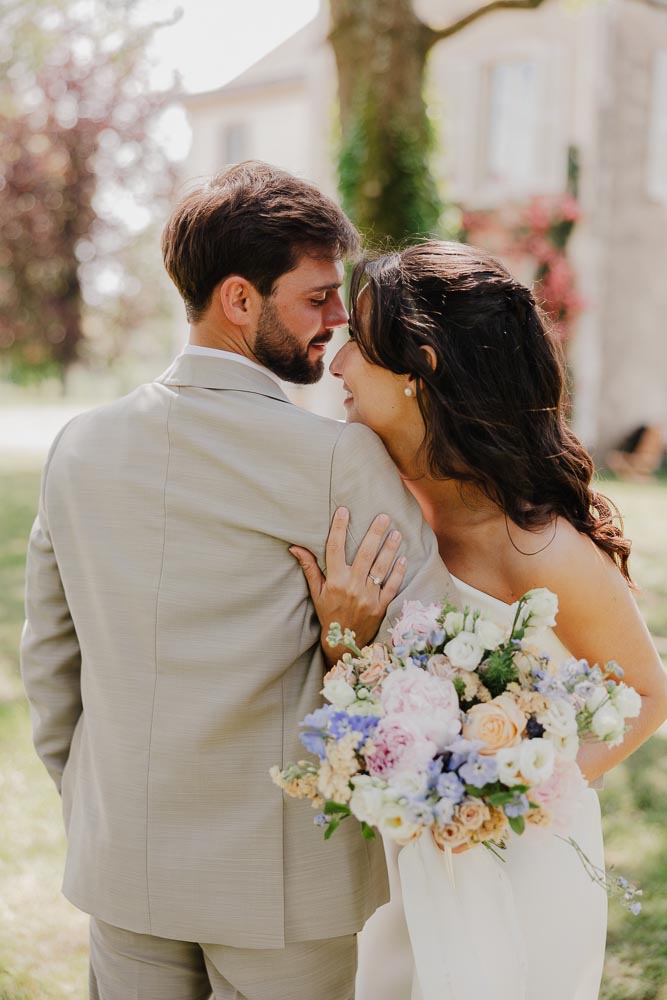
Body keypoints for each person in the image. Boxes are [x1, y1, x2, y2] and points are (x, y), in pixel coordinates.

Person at [19, 164, 457, 1000]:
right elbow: (428, 650)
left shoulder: (79, 445)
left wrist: (93, 803)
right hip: (283, 879)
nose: (337, 318)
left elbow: (48, 664)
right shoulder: (335, 457)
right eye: (318, 296)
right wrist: (347, 640)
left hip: (122, 860)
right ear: (239, 300)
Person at [291, 241, 667, 1000]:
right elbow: (364, 686)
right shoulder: (380, 506)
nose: (336, 368)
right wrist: (340, 635)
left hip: (522, 863)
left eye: (357, 347)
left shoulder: (539, 546)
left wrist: (509, 791)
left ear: (417, 369)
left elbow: (648, 693)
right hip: (402, 860)